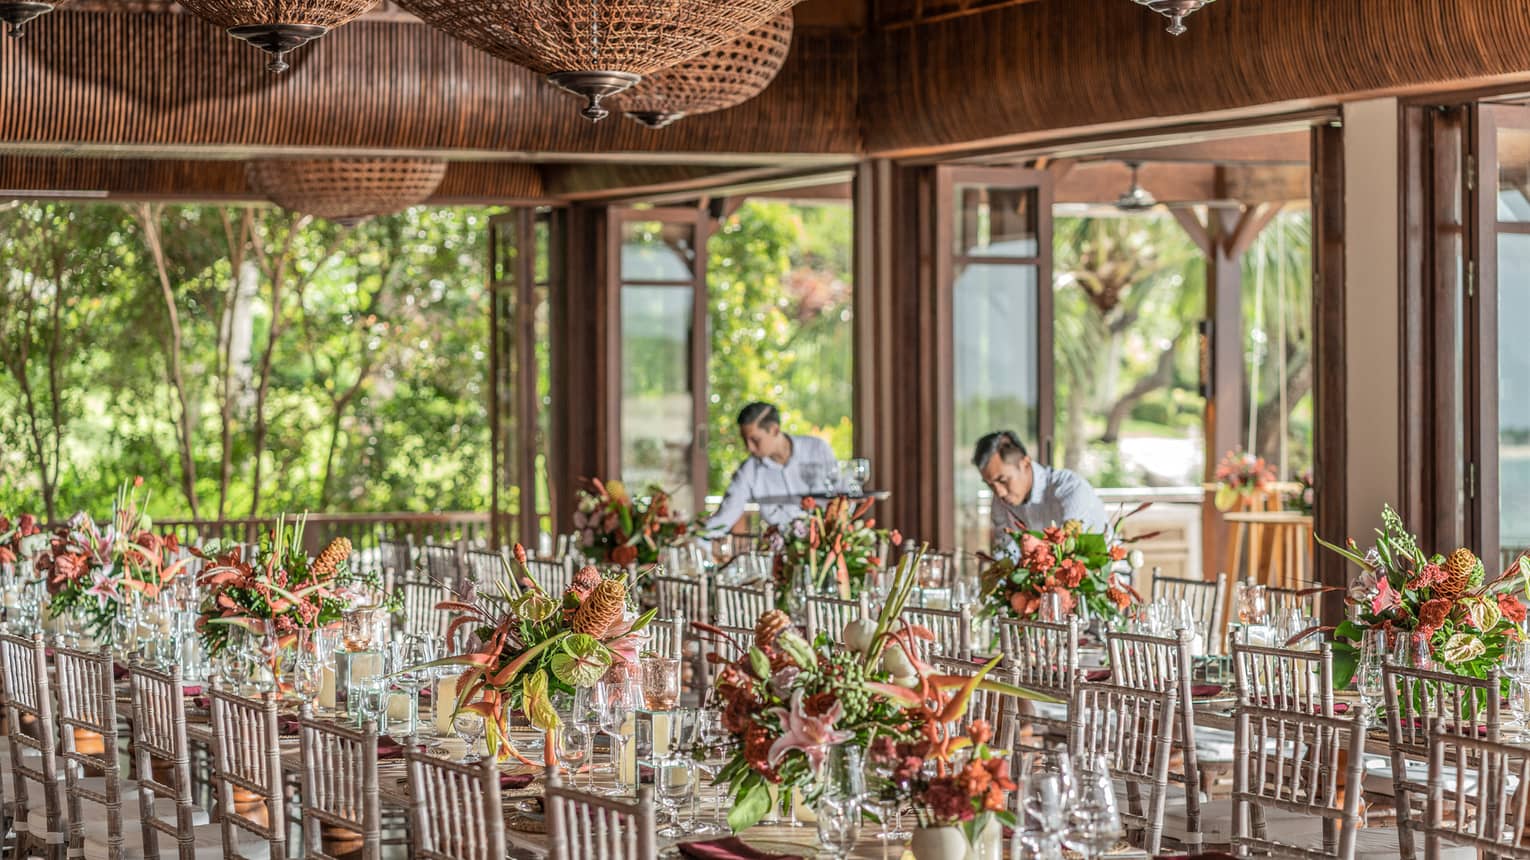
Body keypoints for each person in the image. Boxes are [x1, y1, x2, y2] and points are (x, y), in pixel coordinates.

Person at [701, 402, 839, 538]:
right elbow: (724, 518)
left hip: (826, 545)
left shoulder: (817, 450)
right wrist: (697, 538)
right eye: (745, 440)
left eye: (755, 440)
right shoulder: (749, 470)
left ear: (774, 429)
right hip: (780, 553)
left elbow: (841, 499)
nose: (749, 448)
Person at [972, 430, 1109, 557]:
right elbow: (1005, 554)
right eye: (990, 484)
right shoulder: (1000, 501)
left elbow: (1067, 553)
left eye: (1003, 480)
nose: (999, 492)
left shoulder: (1070, 489)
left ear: (1025, 463)